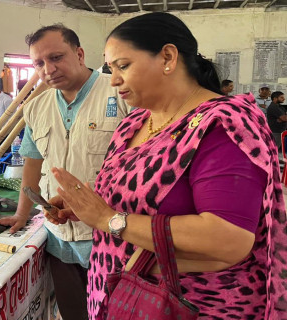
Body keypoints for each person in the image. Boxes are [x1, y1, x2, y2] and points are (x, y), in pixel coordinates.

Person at [45, 12, 287, 319]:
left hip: (186, 304)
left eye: (123, 65)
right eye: (110, 68)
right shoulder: (135, 122)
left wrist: (109, 219)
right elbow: (142, 196)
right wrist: (86, 203)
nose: (114, 79)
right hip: (123, 294)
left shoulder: (220, 125)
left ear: (168, 57)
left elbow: (228, 238)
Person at [0, 24, 129, 320]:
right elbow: (32, 163)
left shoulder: (120, 93)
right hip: (58, 236)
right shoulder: (36, 107)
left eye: (56, 57)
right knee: (73, 313)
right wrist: (22, 214)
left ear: (79, 54)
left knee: (117, 313)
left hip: (112, 235)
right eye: (39, 63)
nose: (48, 69)